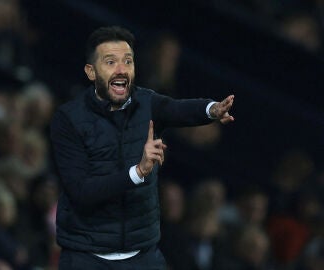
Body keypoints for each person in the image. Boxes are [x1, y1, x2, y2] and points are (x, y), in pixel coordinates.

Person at [50, 25, 235, 270]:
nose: (121, 70)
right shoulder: (70, 119)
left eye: (127, 61)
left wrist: (211, 110)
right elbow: (82, 191)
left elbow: (175, 109)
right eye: (111, 62)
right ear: (91, 71)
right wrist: (138, 172)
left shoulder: (145, 101)